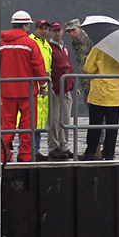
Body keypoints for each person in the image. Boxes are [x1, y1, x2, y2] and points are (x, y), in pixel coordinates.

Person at [0, 10, 47, 162]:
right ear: (25, 26)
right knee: (27, 125)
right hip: (27, 91)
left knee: (7, 125)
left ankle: (3, 154)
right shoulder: (30, 44)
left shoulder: (1, 44)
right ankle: (25, 156)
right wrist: (43, 84)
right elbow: (38, 66)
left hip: (6, 92)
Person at [81, 44, 119, 160]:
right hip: (116, 94)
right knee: (112, 126)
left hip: (100, 92)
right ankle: (109, 152)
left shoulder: (99, 47)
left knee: (95, 125)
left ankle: (90, 152)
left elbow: (88, 69)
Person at [45, 21, 76, 159]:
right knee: (54, 120)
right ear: (51, 32)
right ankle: (54, 147)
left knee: (66, 120)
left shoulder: (64, 47)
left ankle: (64, 146)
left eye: (59, 30)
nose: (57, 33)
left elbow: (68, 66)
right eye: (55, 30)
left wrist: (73, 85)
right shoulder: (49, 47)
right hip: (55, 90)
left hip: (66, 89)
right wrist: (49, 86)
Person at [29, 19, 54, 155]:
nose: (44, 31)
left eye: (46, 28)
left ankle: (35, 150)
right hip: (35, 86)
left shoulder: (47, 46)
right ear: (35, 29)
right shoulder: (31, 43)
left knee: (40, 121)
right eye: (41, 28)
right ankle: (30, 151)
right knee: (30, 120)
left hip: (44, 87)